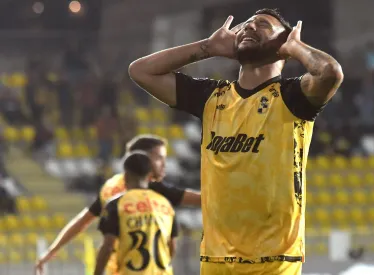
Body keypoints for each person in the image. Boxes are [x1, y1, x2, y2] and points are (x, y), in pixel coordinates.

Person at [129, 8, 343, 274]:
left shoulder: (292, 97)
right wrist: (208, 47)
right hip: (215, 261)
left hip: (273, 262)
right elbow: (140, 71)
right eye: (247, 24)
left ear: (283, 44)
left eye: (263, 25)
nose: (249, 27)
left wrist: (297, 47)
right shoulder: (211, 97)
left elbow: (330, 74)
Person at [35, 134, 200, 274]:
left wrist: (51, 251)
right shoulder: (157, 192)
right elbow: (199, 201)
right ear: (143, 159)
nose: (164, 164)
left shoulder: (111, 188)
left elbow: (83, 221)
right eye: (159, 158)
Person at [94, 151, 178, 275]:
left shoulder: (117, 205)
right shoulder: (165, 204)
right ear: (149, 176)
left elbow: (108, 247)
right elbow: (171, 247)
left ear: (125, 176)